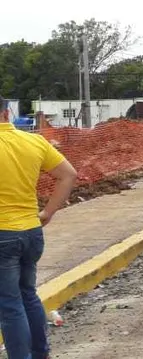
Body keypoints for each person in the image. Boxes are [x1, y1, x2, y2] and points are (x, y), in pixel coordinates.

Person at [0, 95, 77, 359]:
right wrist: (48, 212)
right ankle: (40, 353)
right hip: (31, 231)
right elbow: (68, 175)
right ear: (6, 114)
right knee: (28, 295)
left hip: (2, 236)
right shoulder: (33, 141)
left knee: (9, 305)